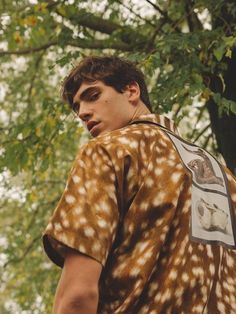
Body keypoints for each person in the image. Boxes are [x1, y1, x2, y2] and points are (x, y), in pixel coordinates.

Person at [43, 56, 236, 314]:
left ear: (131, 91)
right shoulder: (227, 180)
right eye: (77, 107)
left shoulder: (108, 151)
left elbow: (78, 294)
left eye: (92, 95)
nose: (83, 112)